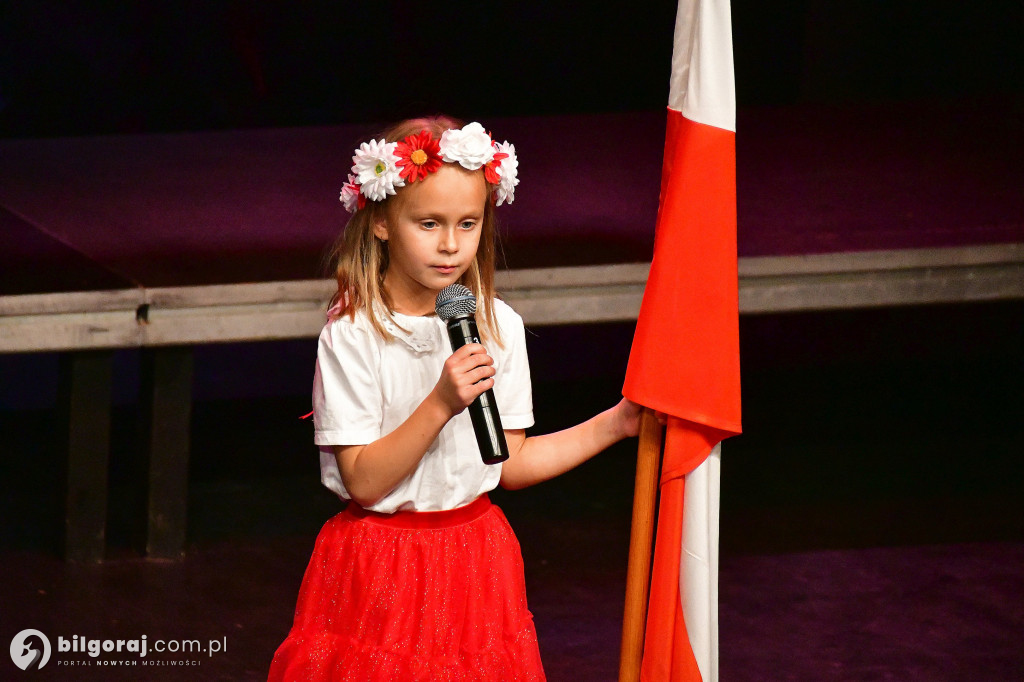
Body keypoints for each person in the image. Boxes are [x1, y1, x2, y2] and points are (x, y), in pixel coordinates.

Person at [268, 115, 642, 681]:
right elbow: (365, 482)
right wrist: (441, 402)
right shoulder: (354, 334)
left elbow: (508, 463)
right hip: (381, 564)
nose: (450, 245)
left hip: (475, 561)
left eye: (467, 224)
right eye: (429, 224)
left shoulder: (496, 325)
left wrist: (617, 423)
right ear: (381, 223)